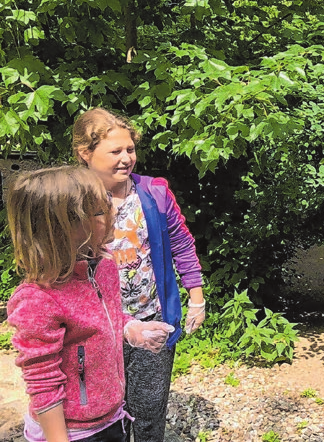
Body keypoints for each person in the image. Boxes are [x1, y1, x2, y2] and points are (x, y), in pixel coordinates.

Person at [6, 166, 174, 442]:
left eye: (107, 204)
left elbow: (106, 315)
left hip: (112, 416)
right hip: (72, 431)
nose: (113, 213)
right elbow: (43, 383)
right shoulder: (38, 298)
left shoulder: (104, 265)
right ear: (59, 229)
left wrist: (131, 328)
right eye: (99, 211)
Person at [72, 108, 206, 442]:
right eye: (114, 151)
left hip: (152, 323)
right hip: (95, 330)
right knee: (101, 415)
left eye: (129, 149)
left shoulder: (154, 193)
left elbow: (183, 246)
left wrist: (196, 299)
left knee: (148, 413)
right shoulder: (70, 201)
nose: (125, 158)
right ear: (85, 154)